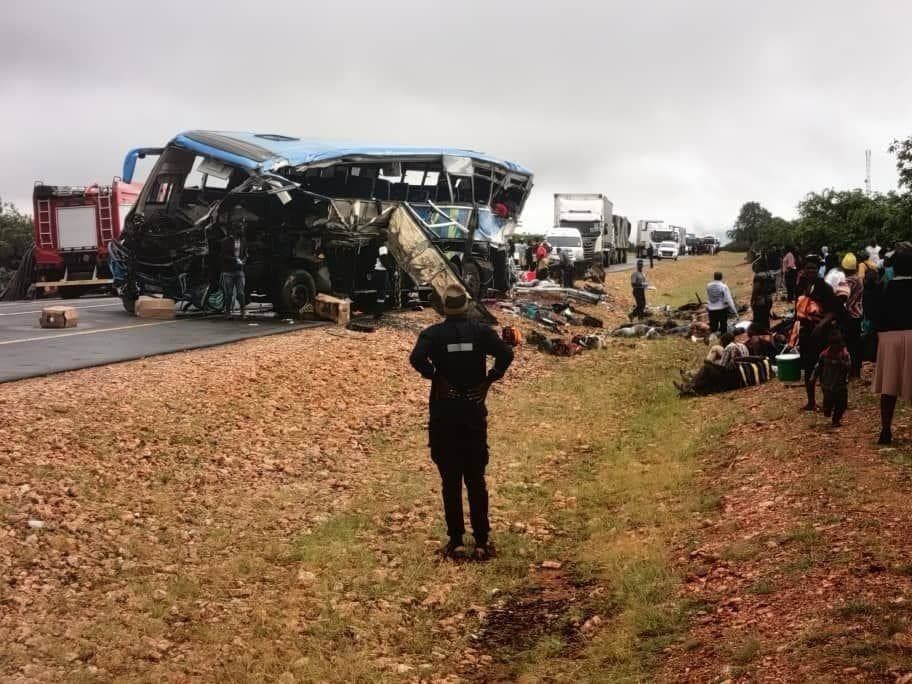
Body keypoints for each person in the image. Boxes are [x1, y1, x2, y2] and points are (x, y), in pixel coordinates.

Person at [409, 285, 514, 560]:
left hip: (445, 413)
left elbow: (416, 358)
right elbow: (506, 353)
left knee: (450, 480)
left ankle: (455, 541)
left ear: (444, 308)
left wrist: (435, 376)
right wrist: (490, 379)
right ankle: (481, 541)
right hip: (472, 411)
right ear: (467, 307)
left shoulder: (433, 334)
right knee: (476, 478)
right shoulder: (481, 332)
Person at [865, 248, 912, 445]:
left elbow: (871, 314)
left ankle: (885, 429)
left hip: (889, 339)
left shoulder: (882, 288)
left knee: (889, 387)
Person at [791, 257, 845, 412]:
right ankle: (811, 402)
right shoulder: (801, 286)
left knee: (823, 366)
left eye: (814, 268)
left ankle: (828, 400)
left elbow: (835, 310)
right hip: (806, 331)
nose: (811, 271)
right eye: (808, 268)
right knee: (808, 367)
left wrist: (821, 325)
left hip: (821, 332)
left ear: (818, 270)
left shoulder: (824, 287)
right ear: (803, 270)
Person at [813, 327, 851, 427]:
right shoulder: (825, 354)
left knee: (842, 405)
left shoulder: (844, 354)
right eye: (833, 344)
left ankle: (836, 420)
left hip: (840, 384)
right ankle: (827, 410)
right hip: (827, 384)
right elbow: (818, 366)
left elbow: (848, 367)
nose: (836, 347)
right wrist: (813, 376)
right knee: (828, 402)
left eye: (837, 344)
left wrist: (840, 362)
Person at [839, 253, 865, 378]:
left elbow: (842, 300)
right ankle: (856, 370)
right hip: (858, 314)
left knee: (848, 344)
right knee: (856, 343)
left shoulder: (847, 282)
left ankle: (849, 371)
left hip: (848, 315)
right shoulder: (859, 280)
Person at [220, 223, 247, 319]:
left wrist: (243, 260)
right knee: (229, 293)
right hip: (228, 271)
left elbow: (245, 253)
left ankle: (243, 312)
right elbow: (223, 255)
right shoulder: (225, 241)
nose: (242, 231)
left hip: (239, 270)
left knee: (241, 293)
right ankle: (227, 313)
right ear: (234, 230)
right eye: (240, 229)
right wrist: (235, 259)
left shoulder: (243, 241)